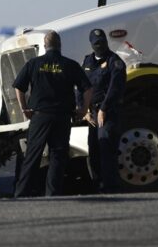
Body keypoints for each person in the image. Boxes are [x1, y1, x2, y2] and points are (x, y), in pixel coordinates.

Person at [13, 30, 91, 197]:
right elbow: (87, 88)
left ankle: (21, 193)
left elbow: (18, 86)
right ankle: (53, 195)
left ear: (44, 45)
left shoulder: (33, 63)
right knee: (58, 156)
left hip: (40, 116)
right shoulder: (70, 65)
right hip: (62, 117)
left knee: (33, 155)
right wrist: (83, 110)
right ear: (60, 45)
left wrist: (24, 108)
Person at [81, 28, 126, 193]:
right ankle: (97, 184)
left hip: (107, 113)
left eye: (102, 43)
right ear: (92, 45)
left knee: (106, 147)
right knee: (93, 149)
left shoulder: (115, 62)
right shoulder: (87, 62)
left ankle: (110, 186)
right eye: (96, 43)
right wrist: (84, 110)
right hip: (92, 113)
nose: (100, 46)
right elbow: (81, 87)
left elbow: (116, 88)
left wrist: (104, 109)